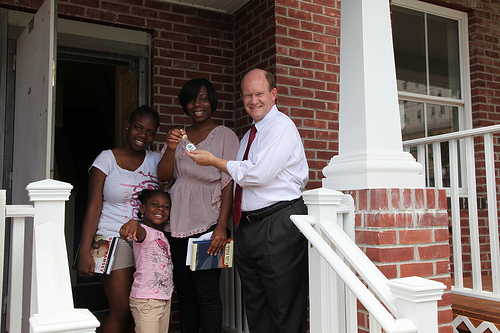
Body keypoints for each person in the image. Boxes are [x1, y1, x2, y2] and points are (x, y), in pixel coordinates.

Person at [186, 69, 309, 333]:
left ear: (273, 94)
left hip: (279, 223)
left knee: (283, 307)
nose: (253, 101)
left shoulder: (281, 127)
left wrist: (213, 160)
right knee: (256, 305)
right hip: (250, 226)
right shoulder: (249, 136)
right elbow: (239, 177)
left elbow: (257, 174)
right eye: (248, 95)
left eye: (260, 94)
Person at [158, 78, 239, 333]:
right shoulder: (179, 137)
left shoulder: (225, 135)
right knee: (185, 292)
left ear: (211, 101)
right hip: (177, 224)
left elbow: (229, 184)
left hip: (208, 223)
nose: (197, 105)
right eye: (192, 100)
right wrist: (171, 149)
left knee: (206, 292)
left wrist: (221, 227)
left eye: (203, 98)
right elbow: (163, 176)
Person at [77, 105, 162, 333]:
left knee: (141, 311)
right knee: (122, 310)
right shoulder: (106, 159)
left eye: (150, 132)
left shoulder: (156, 160)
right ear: (128, 125)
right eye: (138, 127)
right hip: (112, 240)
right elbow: (93, 206)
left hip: (147, 243)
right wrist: (85, 250)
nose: (143, 135)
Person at [119, 189, 174, 333]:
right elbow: (138, 230)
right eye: (154, 204)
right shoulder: (145, 232)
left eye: (166, 206)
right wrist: (133, 222)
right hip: (147, 301)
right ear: (143, 208)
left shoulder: (162, 235)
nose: (160, 209)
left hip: (163, 299)